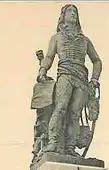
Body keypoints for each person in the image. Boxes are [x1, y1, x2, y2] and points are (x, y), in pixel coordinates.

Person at [37, 4, 102, 156]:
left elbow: (97, 60)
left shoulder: (85, 40)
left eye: (75, 12)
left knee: (75, 113)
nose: (73, 14)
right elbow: (49, 57)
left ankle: (70, 148)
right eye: (70, 11)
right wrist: (42, 70)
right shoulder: (57, 38)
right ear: (63, 16)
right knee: (60, 108)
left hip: (81, 78)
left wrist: (94, 79)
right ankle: (53, 143)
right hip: (65, 75)